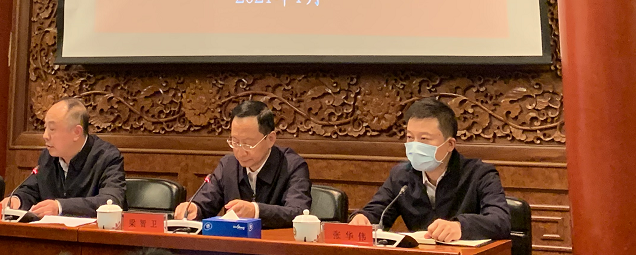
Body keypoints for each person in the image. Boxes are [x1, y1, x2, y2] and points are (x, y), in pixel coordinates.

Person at [350, 98, 511, 241]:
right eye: (410, 137)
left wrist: (460, 226)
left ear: (450, 144)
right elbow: (376, 212)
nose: (415, 145)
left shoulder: (480, 174)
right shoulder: (401, 176)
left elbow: (500, 221)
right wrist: (362, 218)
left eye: (424, 139)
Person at [174, 100, 311, 229]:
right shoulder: (228, 165)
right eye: (235, 142)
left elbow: (299, 213)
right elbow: (206, 201)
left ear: (270, 139)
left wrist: (256, 211)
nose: (240, 152)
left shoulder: (293, 166)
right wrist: (194, 208)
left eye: (248, 144)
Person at [4, 98, 125, 217]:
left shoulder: (107, 157)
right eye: (45, 128)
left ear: (76, 132)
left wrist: (60, 207)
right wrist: (17, 199)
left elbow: (111, 200)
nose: (45, 136)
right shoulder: (48, 157)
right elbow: (31, 190)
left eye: (52, 129)